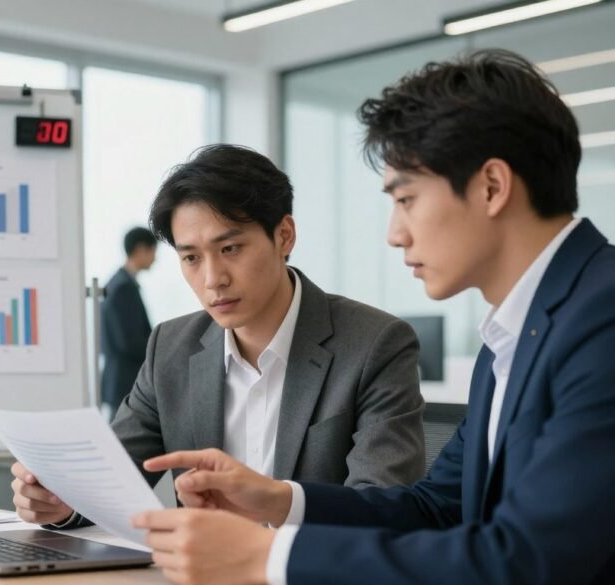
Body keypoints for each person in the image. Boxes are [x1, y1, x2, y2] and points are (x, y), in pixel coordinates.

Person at [132, 49, 615, 585]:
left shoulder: (602, 320)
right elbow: (434, 508)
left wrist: (265, 557)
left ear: (492, 187)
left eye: (406, 199)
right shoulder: (511, 338)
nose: (394, 234)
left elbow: (530, 560)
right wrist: (277, 498)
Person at [11, 144, 426, 528]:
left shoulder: (375, 344)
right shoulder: (170, 348)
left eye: (230, 249)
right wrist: (62, 501)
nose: (213, 279)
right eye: (191, 257)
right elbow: (108, 479)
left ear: (284, 235)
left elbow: (382, 509)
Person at [100, 227, 157, 417]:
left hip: (119, 378)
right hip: (125, 380)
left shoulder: (118, 282)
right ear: (140, 250)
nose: (155, 258)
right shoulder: (123, 287)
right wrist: (159, 349)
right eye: (152, 251)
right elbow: (129, 342)